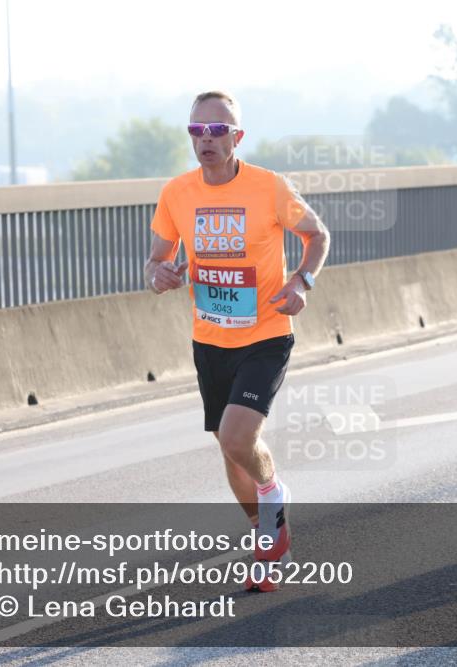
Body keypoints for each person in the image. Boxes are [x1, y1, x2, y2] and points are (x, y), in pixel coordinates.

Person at [144, 91, 330, 591]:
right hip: (209, 339)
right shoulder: (177, 193)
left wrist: (301, 282)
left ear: (237, 137)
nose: (206, 140)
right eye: (197, 131)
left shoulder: (268, 187)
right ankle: (266, 543)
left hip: (265, 334)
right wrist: (161, 275)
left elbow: (318, 235)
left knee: (236, 437)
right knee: (229, 453)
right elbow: (157, 259)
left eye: (217, 130)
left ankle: (273, 492)